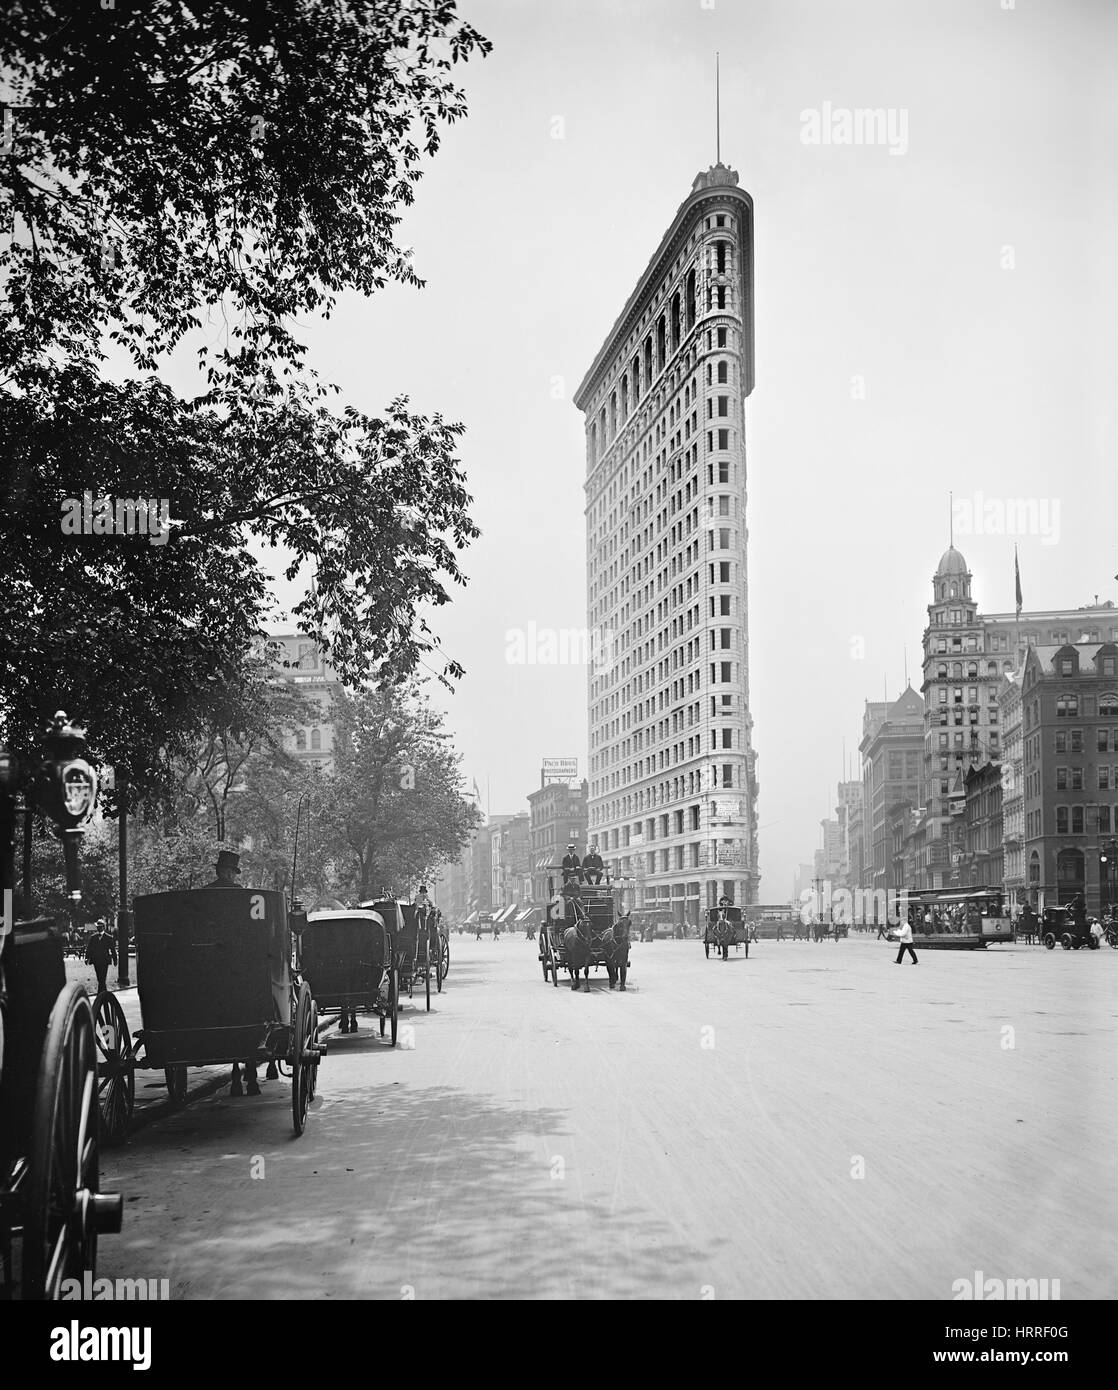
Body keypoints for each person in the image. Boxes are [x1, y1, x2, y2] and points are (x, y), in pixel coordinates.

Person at [203, 851, 260, 1097]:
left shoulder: (204, 895)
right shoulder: (243, 897)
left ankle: (239, 1073)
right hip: (240, 964)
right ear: (227, 872)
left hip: (208, 966)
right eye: (229, 871)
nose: (229, 875)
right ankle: (249, 1073)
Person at [85, 920, 117, 995]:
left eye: (100, 927)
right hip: (96, 961)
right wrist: (87, 958)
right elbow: (89, 948)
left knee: (102, 978)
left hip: (104, 961)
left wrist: (115, 960)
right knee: (100, 978)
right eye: (97, 927)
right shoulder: (93, 937)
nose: (98, 928)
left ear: (103, 927)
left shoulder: (109, 937)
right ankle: (103, 994)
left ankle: (100, 995)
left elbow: (112, 949)